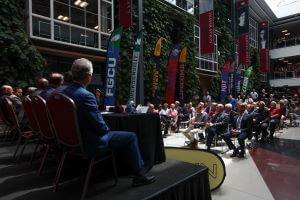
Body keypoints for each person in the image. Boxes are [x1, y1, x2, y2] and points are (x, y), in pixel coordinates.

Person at [58, 58, 155, 187]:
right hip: (89, 143)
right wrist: (108, 131)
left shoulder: (61, 93)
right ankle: (139, 175)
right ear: (89, 76)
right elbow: (100, 127)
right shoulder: (86, 96)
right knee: (131, 136)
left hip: (66, 142)